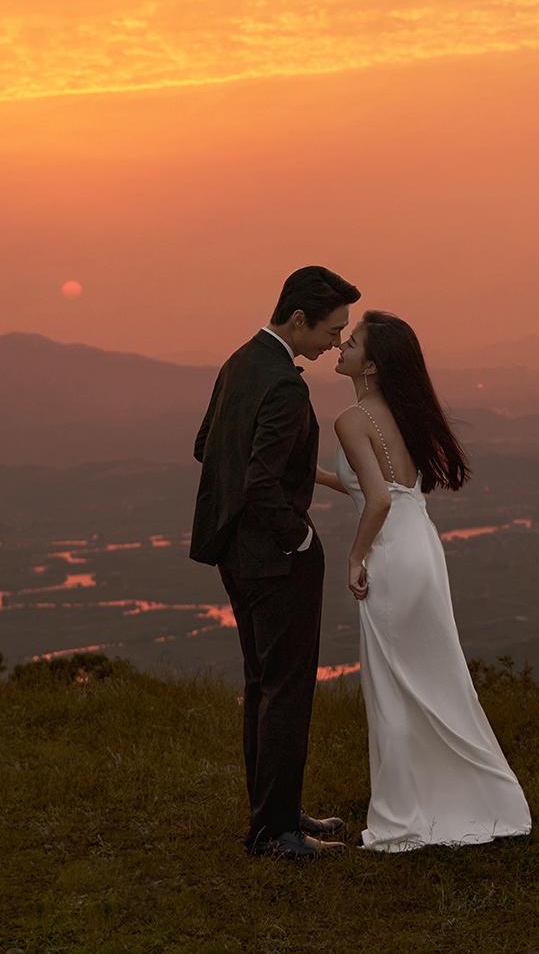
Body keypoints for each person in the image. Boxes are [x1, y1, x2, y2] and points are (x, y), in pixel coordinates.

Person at [320, 309, 533, 851]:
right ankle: (481, 798)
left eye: (355, 341)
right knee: (436, 680)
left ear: (372, 364)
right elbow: (384, 487)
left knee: (392, 687)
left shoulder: (351, 419)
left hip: (390, 551)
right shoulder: (399, 412)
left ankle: (402, 816)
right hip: (421, 547)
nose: (342, 345)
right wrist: (310, 475)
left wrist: (354, 557)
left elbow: (378, 499)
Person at [190, 265, 360, 860]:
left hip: (235, 554)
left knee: (263, 685)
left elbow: (205, 446)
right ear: (298, 319)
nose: (336, 342)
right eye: (332, 329)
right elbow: (263, 483)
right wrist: (301, 540)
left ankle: (277, 816)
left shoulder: (240, 361)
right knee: (287, 689)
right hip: (277, 559)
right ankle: (277, 833)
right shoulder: (287, 386)